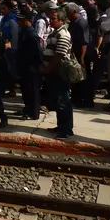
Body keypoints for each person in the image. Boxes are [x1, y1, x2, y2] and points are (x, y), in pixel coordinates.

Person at [42, 9, 74, 139]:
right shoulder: (55, 32)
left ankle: (66, 130)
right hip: (53, 71)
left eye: (54, 18)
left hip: (59, 71)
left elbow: (59, 55)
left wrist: (48, 68)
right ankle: (61, 125)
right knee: (58, 100)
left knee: (63, 101)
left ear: (61, 20)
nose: (51, 20)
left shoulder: (63, 34)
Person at [16, 8, 43, 120]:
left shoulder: (31, 35)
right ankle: (28, 108)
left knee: (32, 91)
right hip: (24, 67)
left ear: (27, 20)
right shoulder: (24, 32)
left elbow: (38, 53)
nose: (19, 22)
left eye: (21, 20)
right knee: (26, 90)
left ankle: (33, 112)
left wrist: (35, 67)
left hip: (31, 68)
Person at [65, 3, 90, 108]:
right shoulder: (73, 22)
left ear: (74, 12)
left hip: (83, 52)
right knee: (76, 77)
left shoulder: (82, 23)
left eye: (68, 13)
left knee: (83, 77)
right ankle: (75, 98)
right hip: (75, 51)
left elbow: (85, 42)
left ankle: (85, 99)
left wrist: (82, 58)